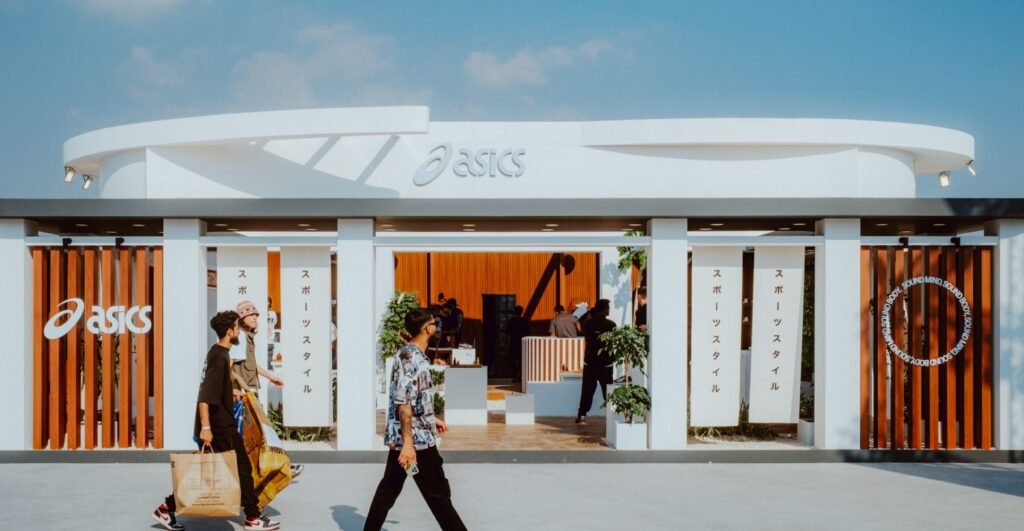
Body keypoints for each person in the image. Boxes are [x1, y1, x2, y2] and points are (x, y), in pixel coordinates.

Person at [152, 311, 281, 531]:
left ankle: (166, 508)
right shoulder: (220, 356)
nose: (238, 330)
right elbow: (205, 395)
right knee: (240, 469)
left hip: (221, 421)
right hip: (219, 425)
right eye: (236, 327)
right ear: (230, 331)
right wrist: (205, 427)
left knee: (213, 471)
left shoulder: (218, 353)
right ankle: (252, 517)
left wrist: (232, 393)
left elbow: (215, 387)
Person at [364, 308, 467, 531]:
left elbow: (414, 398)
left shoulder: (410, 354)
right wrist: (408, 445)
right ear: (427, 328)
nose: (437, 326)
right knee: (437, 493)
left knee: (389, 489)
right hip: (416, 443)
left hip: (411, 436)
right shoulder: (412, 359)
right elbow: (404, 404)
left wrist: (431, 420)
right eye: (434, 322)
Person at [232, 300, 303, 479]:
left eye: (256, 314)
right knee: (262, 432)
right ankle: (280, 467)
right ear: (242, 317)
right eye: (250, 314)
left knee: (260, 432)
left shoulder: (246, 337)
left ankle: (277, 467)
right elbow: (229, 367)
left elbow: (250, 364)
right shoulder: (240, 337)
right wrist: (246, 389)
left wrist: (270, 376)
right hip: (244, 394)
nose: (255, 317)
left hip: (248, 391)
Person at [575, 299, 617, 425]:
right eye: (608, 307)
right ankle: (613, 416)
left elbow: (584, 333)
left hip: (590, 362)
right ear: (603, 309)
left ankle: (582, 415)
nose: (609, 310)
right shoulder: (611, 325)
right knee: (608, 391)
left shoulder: (588, 324)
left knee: (587, 391)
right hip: (606, 363)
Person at [506, 305, 530, 381]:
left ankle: (515, 374)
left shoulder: (511, 321)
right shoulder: (525, 322)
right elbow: (528, 333)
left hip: (513, 342)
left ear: (514, 312)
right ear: (522, 312)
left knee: (512, 359)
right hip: (522, 343)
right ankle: (520, 375)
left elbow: (507, 333)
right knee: (521, 359)